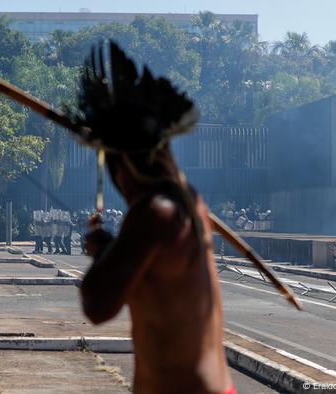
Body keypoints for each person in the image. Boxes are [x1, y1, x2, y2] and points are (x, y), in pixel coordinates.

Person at [77, 42, 235, 394]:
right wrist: (108, 247)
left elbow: (98, 304)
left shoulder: (155, 213)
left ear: (121, 165)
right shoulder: (188, 202)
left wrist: (101, 251)